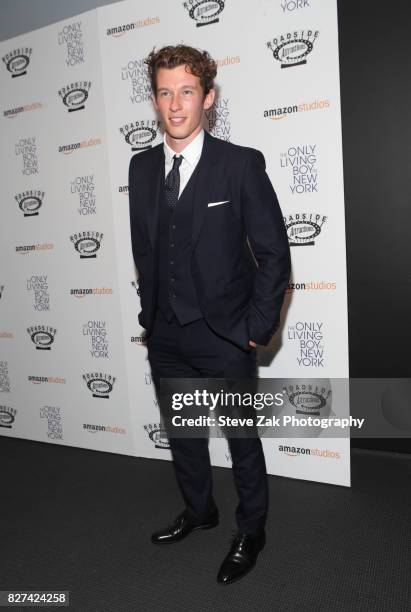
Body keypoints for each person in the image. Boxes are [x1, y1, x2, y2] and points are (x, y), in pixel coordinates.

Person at [128, 44, 291, 585]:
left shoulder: (240, 164)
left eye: (187, 91)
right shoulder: (142, 167)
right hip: (167, 334)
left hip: (225, 335)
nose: (175, 105)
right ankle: (200, 511)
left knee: (241, 439)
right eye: (165, 92)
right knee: (184, 435)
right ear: (155, 99)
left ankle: (252, 529)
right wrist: (150, 316)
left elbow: (274, 256)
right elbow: (146, 251)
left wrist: (255, 330)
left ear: (209, 98)